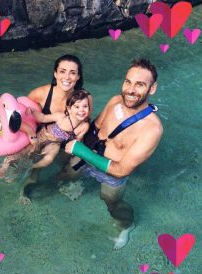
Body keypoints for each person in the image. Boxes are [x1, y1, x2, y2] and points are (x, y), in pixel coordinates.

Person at [65, 58, 163, 250]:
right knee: (66, 174)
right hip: (87, 155)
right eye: (128, 82)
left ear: (152, 88)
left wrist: (80, 150)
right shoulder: (115, 101)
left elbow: (121, 170)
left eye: (140, 84)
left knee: (112, 204)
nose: (131, 90)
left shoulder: (152, 129)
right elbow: (96, 127)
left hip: (110, 174)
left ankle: (127, 226)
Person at [19, 54, 93, 201]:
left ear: (78, 76)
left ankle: (57, 183)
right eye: (62, 71)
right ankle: (23, 190)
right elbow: (23, 115)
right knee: (33, 174)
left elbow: (84, 122)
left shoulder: (85, 97)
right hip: (45, 137)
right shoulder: (42, 93)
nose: (67, 77)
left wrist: (83, 131)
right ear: (55, 73)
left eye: (73, 72)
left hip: (67, 141)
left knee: (76, 170)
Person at [26, 89, 90, 169]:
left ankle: (31, 167)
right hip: (43, 136)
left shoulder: (84, 126)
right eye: (77, 107)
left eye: (85, 106)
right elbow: (43, 118)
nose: (81, 110)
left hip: (55, 144)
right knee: (29, 152)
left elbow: (77, 141)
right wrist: (33, 111)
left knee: (49, 159)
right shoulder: (61, 117)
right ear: (69, 109)